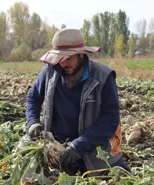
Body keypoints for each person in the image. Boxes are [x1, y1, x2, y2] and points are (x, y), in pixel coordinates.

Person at [26, 28, 130, 176]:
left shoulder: (103, 77)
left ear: (81, 54)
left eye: (68, 58)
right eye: (59, 58)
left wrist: (79, 145)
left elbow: (111, 119)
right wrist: (33, 122)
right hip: (57, 150)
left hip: (94, 150)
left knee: (123, 177)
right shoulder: (49, 72)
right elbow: (33, 97)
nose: (63, 63)